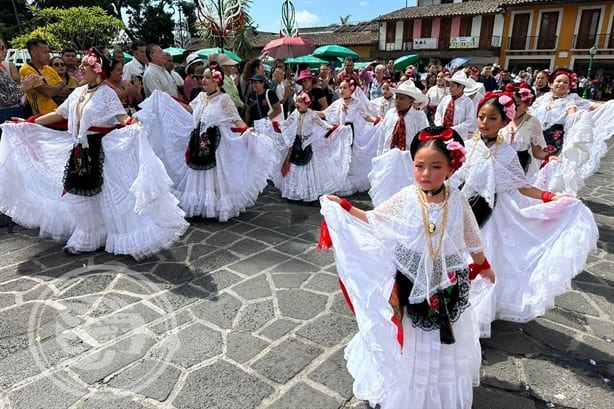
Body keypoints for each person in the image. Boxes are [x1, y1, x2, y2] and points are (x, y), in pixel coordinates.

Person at [319, 126, 493, 409]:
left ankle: (438, 394)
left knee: (445, 341)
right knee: (413, 340)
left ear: (451, 167)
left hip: (447, 281)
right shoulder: (406, 197)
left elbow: (471, 235)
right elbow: (375, 219)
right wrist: (347, 209)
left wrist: (483, 264)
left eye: (436, 167)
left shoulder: (457, 199)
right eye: (419, 166)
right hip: (411, 284)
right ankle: (408, 392)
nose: (426, 173)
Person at [0, 48, 188, 259]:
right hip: (80, 150)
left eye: (84, 66)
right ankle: (89, 234)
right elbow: (57, 114)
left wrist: (131, 123)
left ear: (97, 71)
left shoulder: (107, 93)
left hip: (102, 151)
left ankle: (111, 235)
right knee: (77, 197)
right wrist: (28, 123)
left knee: (109, 196)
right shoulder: (78, 93)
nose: (80, 69)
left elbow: (121, 117)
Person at [453, 92, 598, 336]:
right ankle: (458, 306)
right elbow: (455, 178)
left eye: (492, 118)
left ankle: (478, 314)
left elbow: (521, 185)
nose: (485, 123)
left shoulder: (507, 153)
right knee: (462, 257)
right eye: (481, 117)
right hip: (467, 210)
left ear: (503, 122)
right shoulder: (468, 147)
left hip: (495, 213)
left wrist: (552, 197)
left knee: (488, 258)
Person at [135, 66, 274, 221]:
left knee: (215, 176)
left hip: (217, 145)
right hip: (198, 142)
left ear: (217, 81)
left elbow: (237, 120)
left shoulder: (224, 99)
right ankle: (202, 206)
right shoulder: (201, 97)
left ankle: (216, 207)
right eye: (203, 77)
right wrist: (167, 99)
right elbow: (189, 108)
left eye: (208, 77)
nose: (204, 80)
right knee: (199, 175)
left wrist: (250, 132)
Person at [529, 68, 612, 193]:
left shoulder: (571, 100)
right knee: (531, 167)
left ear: (569, 86)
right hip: (535, 139)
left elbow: (591, 107)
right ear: (551, 83)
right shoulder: (542, 99)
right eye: (558, 81)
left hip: (554, 142)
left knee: (549, 168)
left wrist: (576, 113)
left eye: (565, 82)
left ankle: (545, 195)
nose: (561, 84)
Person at [265, 91, 352, 201]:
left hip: (308, 143)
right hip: (296, 142)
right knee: (294, 167)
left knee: (308, 167)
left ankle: (307, 191)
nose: (297, 104)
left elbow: (323, 125)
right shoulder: (295, 113)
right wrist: (273, 125)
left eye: (300, 102)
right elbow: (287, 123)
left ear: (307, 103)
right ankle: (295, 191)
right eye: (296, 101)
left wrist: (337, 128)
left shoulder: (312, 114)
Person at [367, 80, 429, 206]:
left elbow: (424, 141)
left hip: (408, 160)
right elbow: (382, 138)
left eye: (402, 99)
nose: (397, 101)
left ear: (411, 101)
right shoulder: (390, 114)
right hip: (389, 158)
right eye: (396, 98)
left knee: (407, 192)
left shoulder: (418, 116)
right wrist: (379, 158)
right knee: (387, 190)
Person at [324, 79, 378, 196]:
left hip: (353, 132)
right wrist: (311, 112)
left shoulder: (356, 103)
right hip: (341, 133)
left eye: (344, 88)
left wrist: (378, 120)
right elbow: (325, 113)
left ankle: (351, 182)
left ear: (351, 90)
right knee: (340, 155)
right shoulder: (338, 103)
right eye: (340, 88)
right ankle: (340, 180)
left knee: (353, 156)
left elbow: (366, 116)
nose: (341, 90)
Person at [499, 85, 553, 176]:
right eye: (510, 104)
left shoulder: (532, 122)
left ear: (526, 104)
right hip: (499, 165)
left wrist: (549, 157)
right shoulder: (500, 119)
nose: (514, 108)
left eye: (518, 104)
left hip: (520, 168)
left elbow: (537, 152)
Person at [19, 39, 68, 115]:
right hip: (41, 115)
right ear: (33, 53)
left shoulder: (49, 68)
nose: (48, 55)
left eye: (49, 52)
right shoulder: (27, 70)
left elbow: (65, 88)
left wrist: (53, 88)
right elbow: (48, 92)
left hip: (58, 113)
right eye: (45, 52)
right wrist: (58, 87)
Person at [434, 70, 475, 139]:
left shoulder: (467, 102)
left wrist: (454, 129)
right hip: (443, 134)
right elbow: (438, 113)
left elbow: (469, 120)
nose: (449, 89)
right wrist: (439, 126)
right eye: (449, 86)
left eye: (452, 86)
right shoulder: (446, 99)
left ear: (461, 87)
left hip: (459, 136)